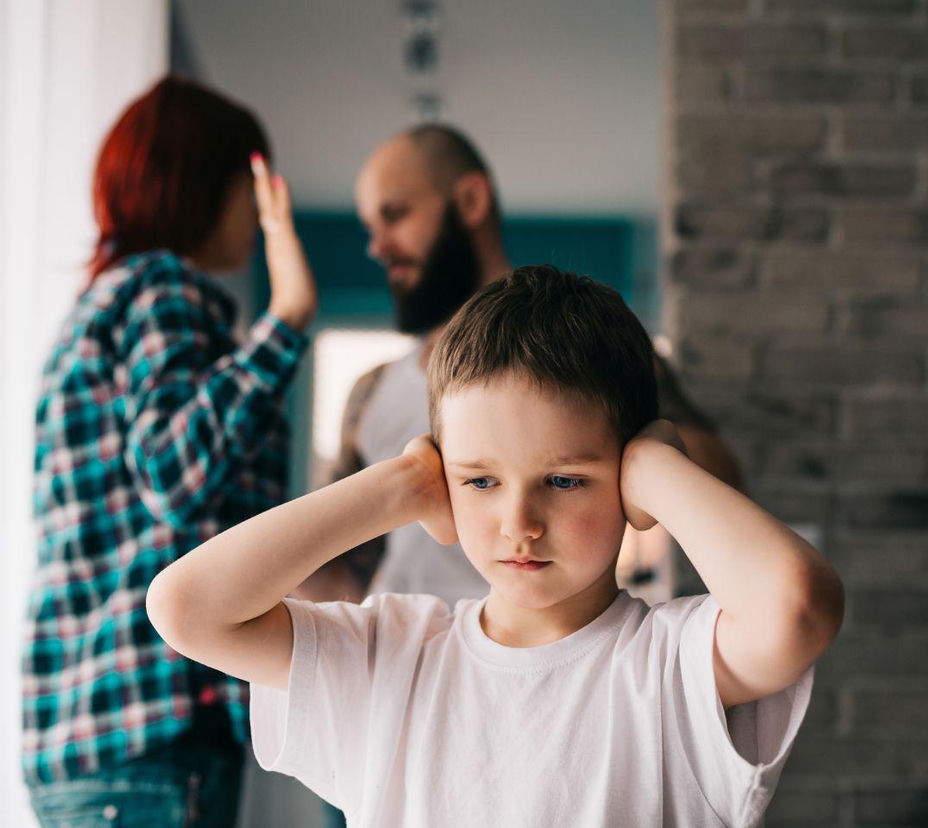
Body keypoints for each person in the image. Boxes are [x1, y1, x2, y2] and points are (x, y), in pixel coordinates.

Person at [147, 265, 845, 827]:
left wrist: (658, 468)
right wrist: (399, 484)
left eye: (565, 480)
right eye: (479, 480)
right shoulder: (391, 656)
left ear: (629, 480)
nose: (520, 522)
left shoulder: (671, 664)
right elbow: (185, 608)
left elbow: (799, 606)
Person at [22, 75, 318, 826]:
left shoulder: (93, 311)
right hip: (151, 727)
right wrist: (287, 318)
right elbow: (173, 473)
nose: (257, 212)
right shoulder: (162, 291)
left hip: (87, 735)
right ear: (205, 184)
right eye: (249, 182)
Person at [301, 124, 743, 608]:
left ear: (470, 201)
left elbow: (718, 481)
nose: (377, 247)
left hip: (540, 650)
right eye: (371, 228)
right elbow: (337, 571)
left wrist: (637, 460)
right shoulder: (373, 390)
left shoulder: (587, 348)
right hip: (408, 660)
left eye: (396, 216)